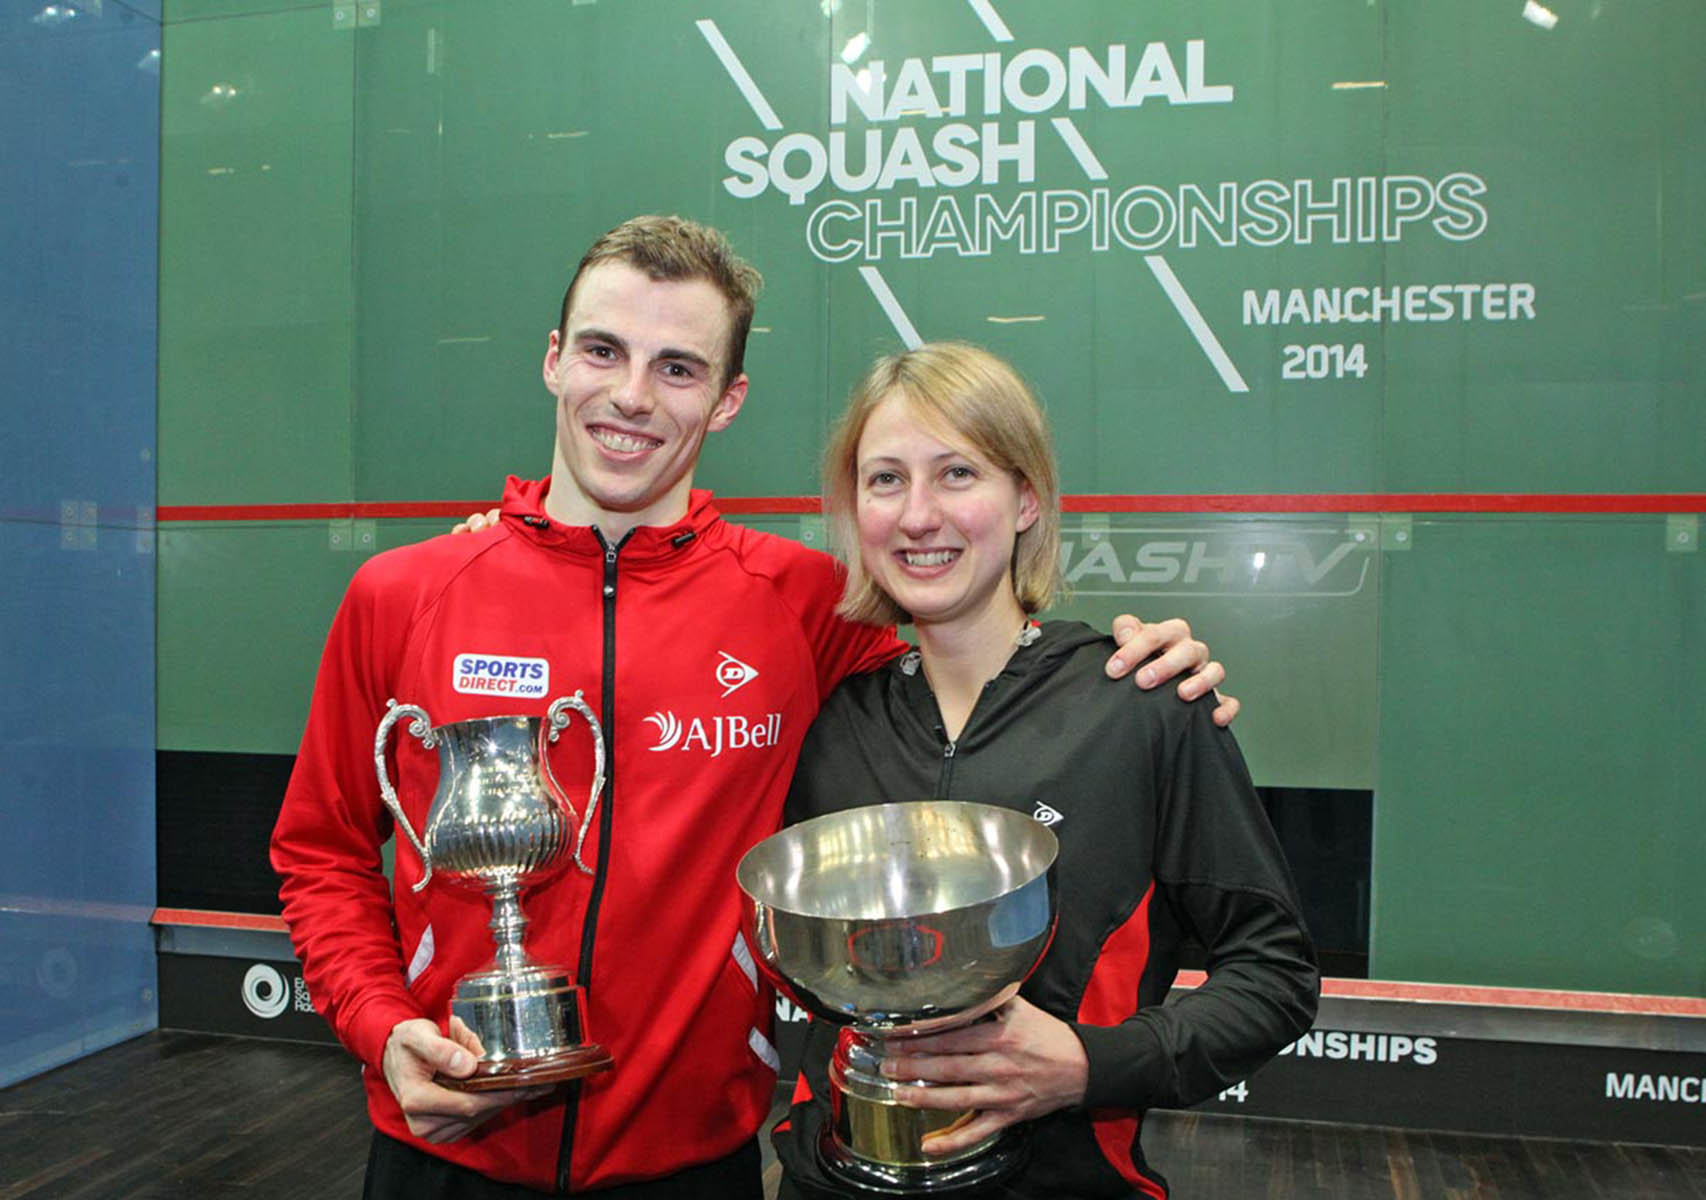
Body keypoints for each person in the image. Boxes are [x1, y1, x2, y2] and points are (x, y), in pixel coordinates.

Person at [271, 215, 1235, 1199]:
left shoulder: (798, 601)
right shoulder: (404, 593)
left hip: (696, 1163)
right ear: (554, 360)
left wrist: (1131, 659)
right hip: (441, 1153)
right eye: (603, 351)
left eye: (678, 368)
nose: (631, 396)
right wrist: (382, 1030)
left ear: (727, 400)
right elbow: (321, 852)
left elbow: (972, 654)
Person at [774, 343, 1320, 1199]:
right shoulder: (833, 719)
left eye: (958, 473)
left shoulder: (1142, 702)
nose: (918, 515)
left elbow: (1276, 975)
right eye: (886, 480)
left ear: (1025, 498)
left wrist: (1088, 1064)